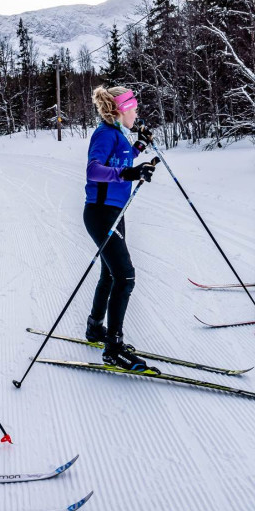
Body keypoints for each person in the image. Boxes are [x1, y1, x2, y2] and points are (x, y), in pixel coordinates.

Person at [83, 86, 159, 372]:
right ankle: (113, 348)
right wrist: (129, 172)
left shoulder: (119, 136)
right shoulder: (104, 134)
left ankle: (95, 329)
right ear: (120, 110)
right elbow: (94, 169)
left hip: (114, 212)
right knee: (125, 277)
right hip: (101, 214)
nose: (137, 113)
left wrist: (141, 155)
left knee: (110, 274)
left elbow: (123, 161)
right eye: (134, 109)